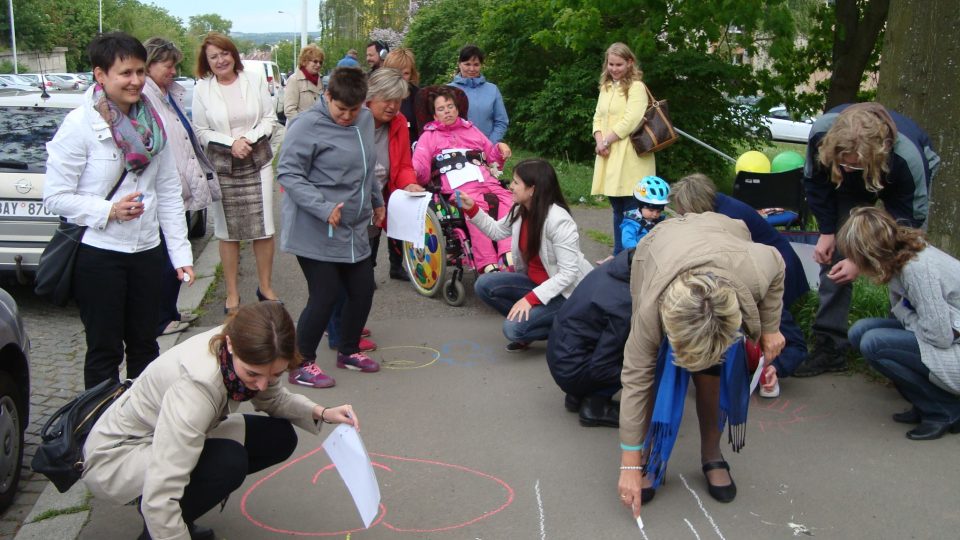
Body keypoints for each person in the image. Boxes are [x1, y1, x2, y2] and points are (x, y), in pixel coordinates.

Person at [81, 302, 358, 540]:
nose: (262, 385)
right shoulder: (196, 390)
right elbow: (161, 491)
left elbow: (273, 400)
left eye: (274, 375)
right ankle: (159, 532)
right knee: (228, 461)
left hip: (168, 435)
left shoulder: (249, 345)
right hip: (119, 456)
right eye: (253, 375)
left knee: (278, 438)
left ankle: (184, 513)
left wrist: (323, 412)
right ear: (230, 344)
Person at [44, 32, 194, 389]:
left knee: (145, 345)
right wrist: (108, 210)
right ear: (100, 75)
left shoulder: (153, 124)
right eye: (126, 73)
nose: (136, 81)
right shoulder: (80, 125)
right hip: (99, 255)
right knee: (104, 349)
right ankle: (97, 430)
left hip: (147, 253)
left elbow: (169, 191)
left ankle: (141, 429)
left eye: (141, 71)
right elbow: (55, 197)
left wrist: (181, 254)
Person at [617, 212, 786, 516]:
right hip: (660, 248)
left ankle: (711, 453)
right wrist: (629, 464)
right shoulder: (650, 313)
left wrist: (771, 327)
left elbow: (778, 262)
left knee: (713, 372)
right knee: (652, 372)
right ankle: (648, 456)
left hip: (725, 242)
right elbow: (634, 380)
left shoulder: (757, 271)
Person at [798, 102, 939, 377]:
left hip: (897, 184)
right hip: (849, 185)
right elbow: (814, 182)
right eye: (843, 162)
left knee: (904, 259)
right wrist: (828, 232)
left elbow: (909, 224)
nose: (849, 168)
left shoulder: (906, 159)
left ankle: (897, 345)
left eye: (855, 164)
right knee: (835, 255)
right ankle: (830, 346)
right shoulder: (822, 135)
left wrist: (860, 260)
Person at [277, 67, 385, 388]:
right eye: (341, 109)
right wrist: (323, 208)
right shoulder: (305, 125)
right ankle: (301, 363)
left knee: (362, 289)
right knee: (325, 295)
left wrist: (377, 202)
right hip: (314, 227)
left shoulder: (364, 120)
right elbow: (288, 173)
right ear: (327, 96)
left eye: (354, 109)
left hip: (353, 228)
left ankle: (348, 350)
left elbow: (367, 170)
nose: (347, 116)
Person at [671, 173, 810, 397]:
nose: (681, 216)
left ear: (696, 206)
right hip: (757, 266)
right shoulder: (714, 206)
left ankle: (772, 367)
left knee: (772, 326)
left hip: (777, 270)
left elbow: (737, 261)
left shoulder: (730, 219)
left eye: (683, 212)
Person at [840, 207, 960, 441]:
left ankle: (944, 410)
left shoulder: (916, 269)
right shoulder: (899, 252)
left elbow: (940, 336)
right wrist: (906, 314)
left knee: (874, 343)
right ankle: (926, 402)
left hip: (952, 344)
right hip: (947, 333)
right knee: (859, 331)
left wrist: (905, 314)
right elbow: (911, 314)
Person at [459, 159, 593, 351]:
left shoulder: (560, 221)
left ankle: (566, 328)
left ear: (532, 189)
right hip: (535, 283)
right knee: (484, 284)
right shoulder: (520, 209)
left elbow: (568, 274)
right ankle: (534, 322)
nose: (510, 186)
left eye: (515, 182)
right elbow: (496, 231)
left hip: (566, 294)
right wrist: (472, 208)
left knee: (513, 330)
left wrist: (530, 299)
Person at [192, 32, 280, 314]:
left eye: (224, 53)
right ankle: (232, 293)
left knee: (264, 227)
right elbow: (201, 130)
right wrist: (232, 143)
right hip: (224, 165)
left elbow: (270, 119)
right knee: (227, 232)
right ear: (206, 62)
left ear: (234, 54)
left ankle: (265, 286)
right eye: (213, 57)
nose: (220, 60)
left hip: (257, 162)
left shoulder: (253, 80)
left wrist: (248, 140)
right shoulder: (202, 88)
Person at [142, 37, 219, 338]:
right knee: (166, 260)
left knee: (176, 253)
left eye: (174, 65)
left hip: (179, 186)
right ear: (150, 64)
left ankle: (169, 312)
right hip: (167, 190)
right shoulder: (147, 99)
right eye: (168, 64)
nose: (174, 70)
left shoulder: (167, 94)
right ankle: (161, 318)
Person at [412, 86, 514, 273]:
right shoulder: (429, 136)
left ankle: (507, 253)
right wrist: (415, 172)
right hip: (458, 185)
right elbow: (421, 168)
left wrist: (500, 148)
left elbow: (491, 157)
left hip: (485, 180)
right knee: (474, 207)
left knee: (511, 201)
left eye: (450, 106)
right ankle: (486, 263)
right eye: (441, 109)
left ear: (457, 109)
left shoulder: (472, 130)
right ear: (435, 116)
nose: (447, 111)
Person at [547, 248, 633, 427]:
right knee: (644, 357)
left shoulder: (613, 267)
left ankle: (576, 396)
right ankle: (596, 406)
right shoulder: (625, 302)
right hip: (574, 370)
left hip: (561, 359)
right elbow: (603, 366)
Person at [591, 42, 656, 260]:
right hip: (608, 154)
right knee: (617, 207)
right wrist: (599, 139)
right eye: (611, 64)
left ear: (630, 63)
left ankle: (632, 255)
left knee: (632, 208)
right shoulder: (607, 87)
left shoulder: (636, 87)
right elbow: (598, 117)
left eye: (619, 64)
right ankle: (619, 254)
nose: (614, 69)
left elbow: (631, 120)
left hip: (630, 157)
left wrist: (606, 141)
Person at [449, 44, 508, 144]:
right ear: (459, 64)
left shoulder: (492, 89)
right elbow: (442, 122)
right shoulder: (448, 90)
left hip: (487, 149)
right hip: (456, 149)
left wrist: (490, 144)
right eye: (467, 64)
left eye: (476, 64)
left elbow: (501, 121)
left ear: (481, 65)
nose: (472, 69)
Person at [382, 47, 421, 142]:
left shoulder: (419, 96)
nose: (401, 77)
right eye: (396, 72)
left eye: (406, 73)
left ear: (412, 74)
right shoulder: (377, 95)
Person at [621, 175, 669, 250]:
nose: (655, 214)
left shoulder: (660, 221)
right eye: (651, 210)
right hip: (636, 257)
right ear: (640, 205)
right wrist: (638, 252)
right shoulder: (631, 223)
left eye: (659, 211)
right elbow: (627, 241)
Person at [283, 44, 324, 122]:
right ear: (305, 61)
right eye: (315, 61)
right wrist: (304, 125)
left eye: (320, 62)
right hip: (299, 129)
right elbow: (289, 110)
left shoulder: (321, 80)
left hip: (317, 129)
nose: (318, 65)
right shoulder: (294, 80)